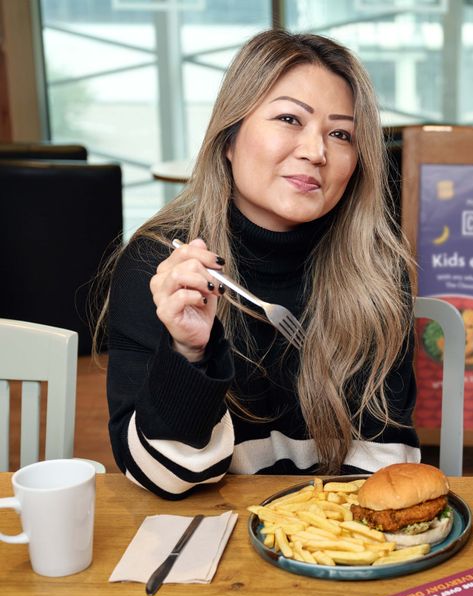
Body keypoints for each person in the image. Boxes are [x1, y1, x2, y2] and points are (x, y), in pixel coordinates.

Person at [100, 30, 419, 499]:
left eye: (340, 133)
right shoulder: (161, 267)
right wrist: (189, 353)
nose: (316, 151)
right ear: (229, 139)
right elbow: (164, 480)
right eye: (290, 118)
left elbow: (385, 464)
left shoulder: (377, 274)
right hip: (209, 530)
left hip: (338, 544)